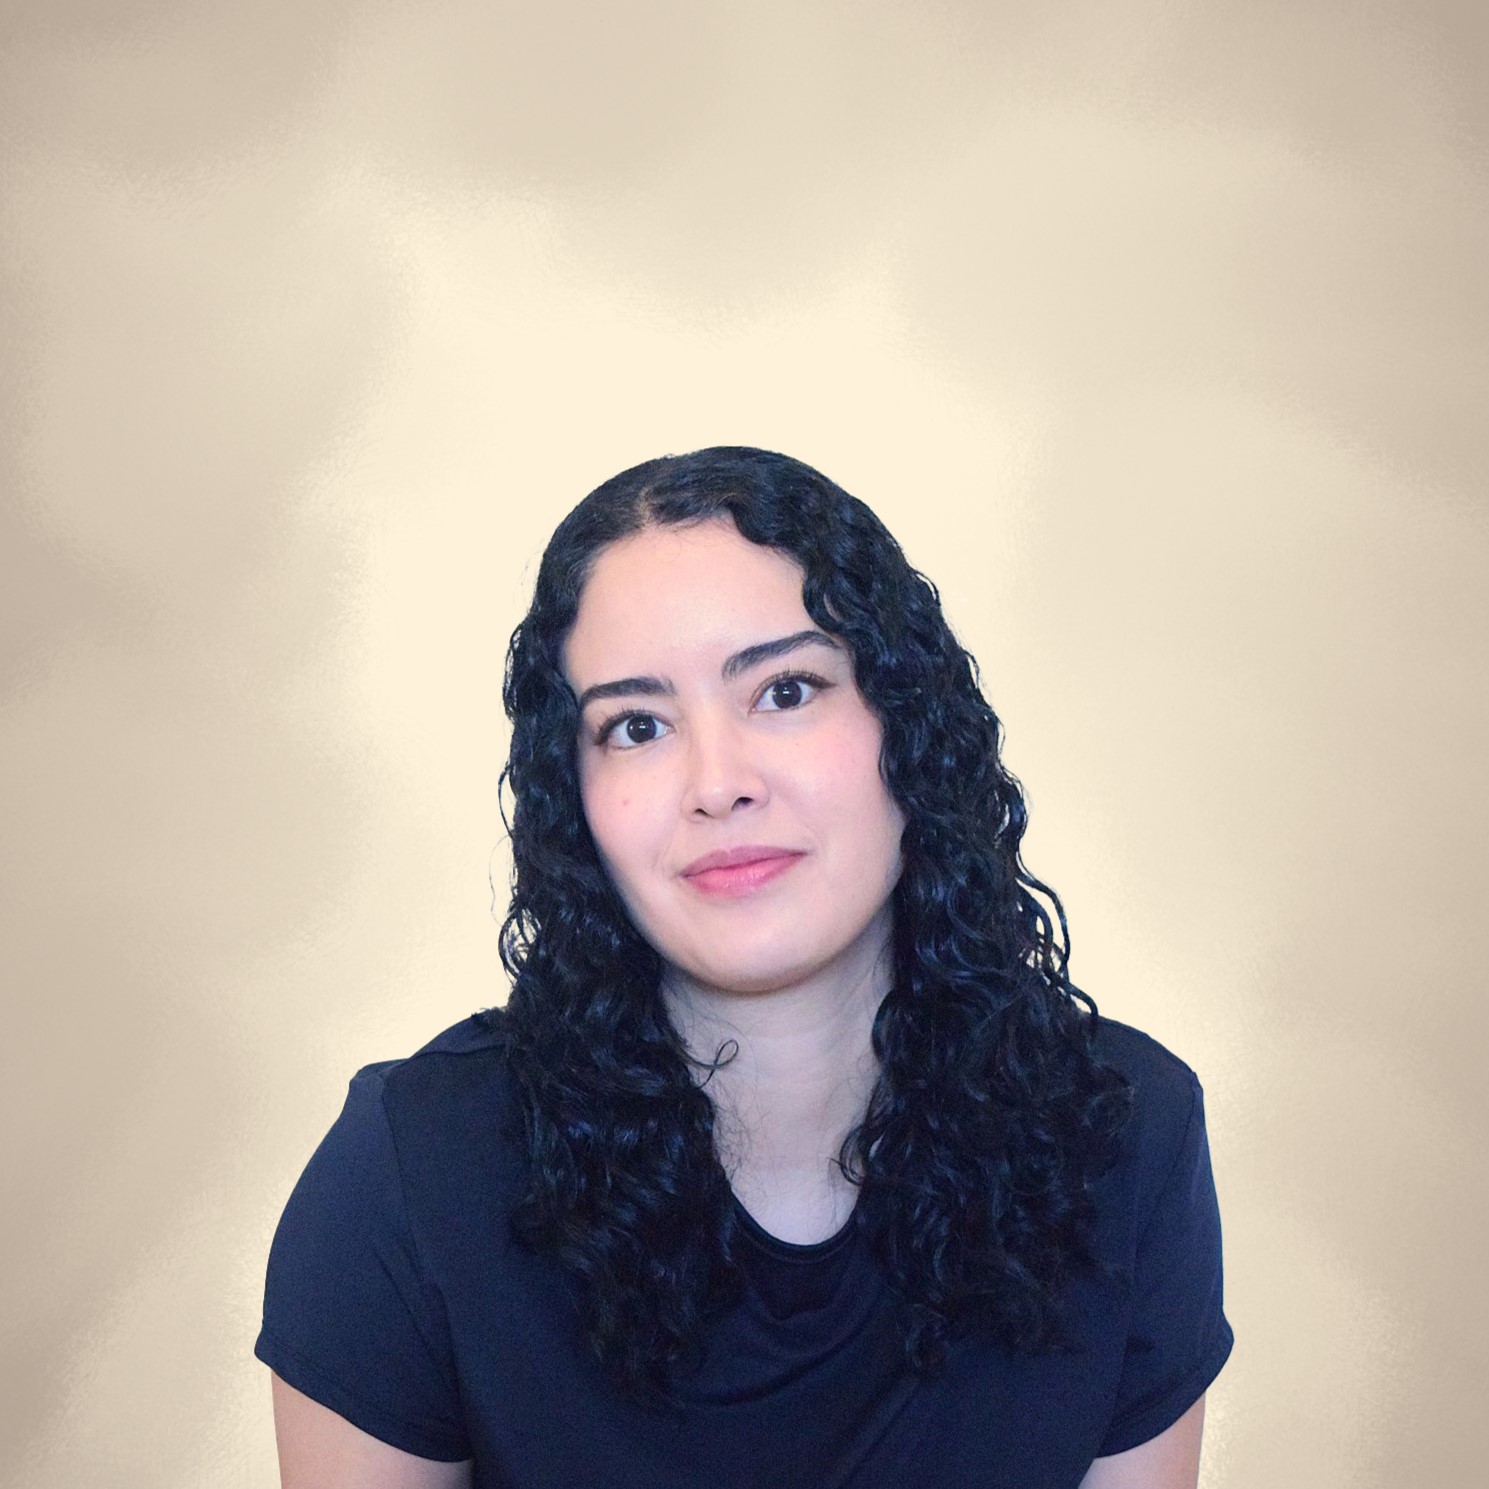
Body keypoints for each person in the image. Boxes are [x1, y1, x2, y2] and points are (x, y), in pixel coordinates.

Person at [255, 447, 1233, 1488]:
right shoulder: (412, 1174)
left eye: (785, 690)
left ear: (908, 724)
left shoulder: (1126, 1134)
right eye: (636, 726)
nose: (717, 782)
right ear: (572, 800)